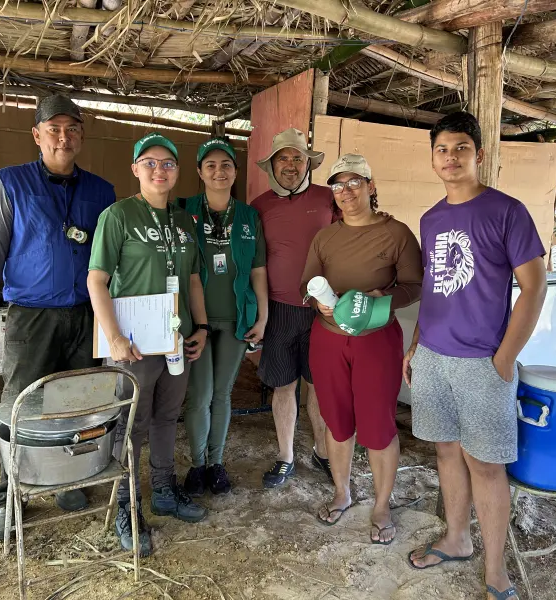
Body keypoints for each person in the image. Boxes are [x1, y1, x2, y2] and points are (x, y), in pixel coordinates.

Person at [404, 112, 546, 600]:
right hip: (434, 358)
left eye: (461, 147)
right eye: (442, 149)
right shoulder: (431, 218)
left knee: (486, 464)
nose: (451, 157)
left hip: (483, 362)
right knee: (445, 450)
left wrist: (506, 358)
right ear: (433, 158)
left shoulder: (507, 211)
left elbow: (534, 286)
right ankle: (457, 538)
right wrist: (417, 340)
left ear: (479, 154)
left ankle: (495, 569)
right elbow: (435, 288)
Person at [0, 95, 116, 541]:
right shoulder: (11, 184)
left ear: (81, 136)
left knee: (77, 403)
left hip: (86, 314)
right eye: (53, 128)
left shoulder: (101, 191)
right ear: (37, 136)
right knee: (22, 406)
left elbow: (112, 255)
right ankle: (11, 495)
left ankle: (68, 483)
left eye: (72, 128)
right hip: (31, 316)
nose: (62, 136)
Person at [88, 132, 210, 557]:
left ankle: (163, 491)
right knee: (129, 426)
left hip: (176, 340)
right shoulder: (118, 216)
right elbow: (96, 281)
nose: (160, 170)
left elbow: (193, 279)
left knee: (166, 416)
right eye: (151, 162)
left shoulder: (182, 221)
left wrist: (203, 327)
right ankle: (127, 506)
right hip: (134, 345)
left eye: (168, 163)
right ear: (136, 169)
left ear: (177, 172)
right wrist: (115, 338)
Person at [300, 154, 422, 544]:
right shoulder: (325, 237)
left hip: (376, 340)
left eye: (354, 182)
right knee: (337, 420)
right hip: (328, 338)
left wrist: (380, 296)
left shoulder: (397, 233)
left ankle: (382, 506)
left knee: (379, 425)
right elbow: (308, 283)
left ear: (371, 186)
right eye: (337, 185)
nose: (346, 191)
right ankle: (342, 491)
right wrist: (317, 300)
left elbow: (414, 286)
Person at [178, 138, 268, 497]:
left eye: (226, 165)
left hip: (235, 317)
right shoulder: (182, 211)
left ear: (235, 171)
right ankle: (196, 464)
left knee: (223, 394)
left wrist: (262, 317)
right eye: (211, 165)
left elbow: (259, 270)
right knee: (199, 394)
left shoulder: (248, 216)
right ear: (200, 172)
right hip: (194, 320)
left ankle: (216, 463)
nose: (219, 171)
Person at [251, 128, 336, 488]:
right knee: (284, 386)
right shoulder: (259, 206)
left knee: (318, 386)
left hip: (321, 311)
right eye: (283, 158)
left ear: (308, 164)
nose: (290, 165)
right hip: (278, 309)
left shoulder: (329, 199)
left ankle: (322, 451)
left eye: (297, 158)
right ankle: (285, 456)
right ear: (272, 164)